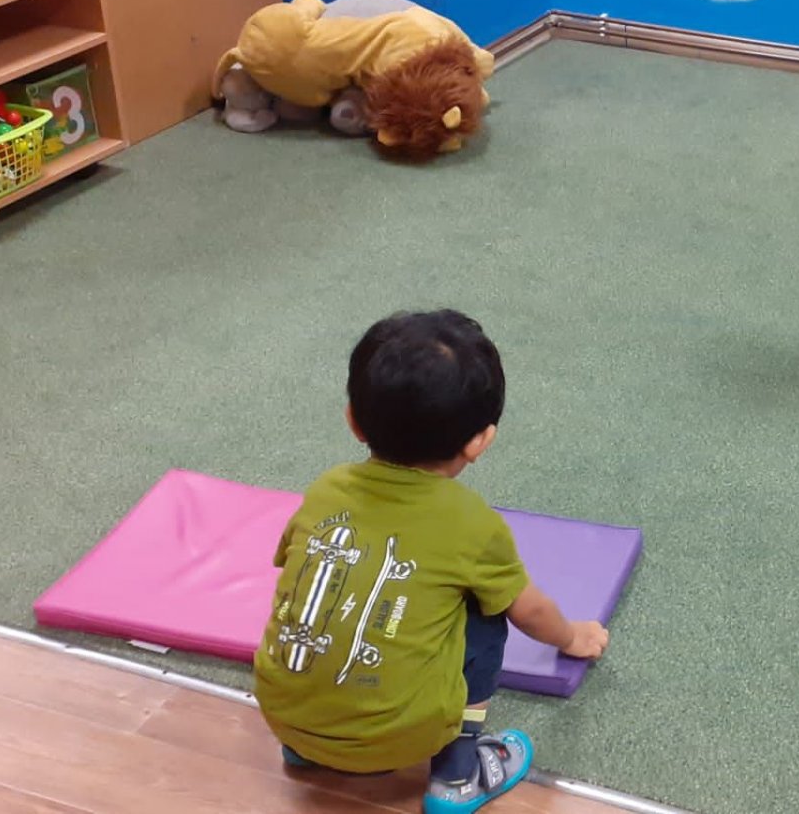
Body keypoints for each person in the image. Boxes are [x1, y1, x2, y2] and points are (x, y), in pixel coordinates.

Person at [254, 309, 609, 813]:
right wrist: (572, 638)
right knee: (487, 610)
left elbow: (291, 563)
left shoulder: (325, 490)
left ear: (353, 420)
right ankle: (457, 775)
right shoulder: (471, 522)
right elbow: (529, 610)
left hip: (284, 719)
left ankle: (309, 749)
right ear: (480, 441)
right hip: (401, 741)